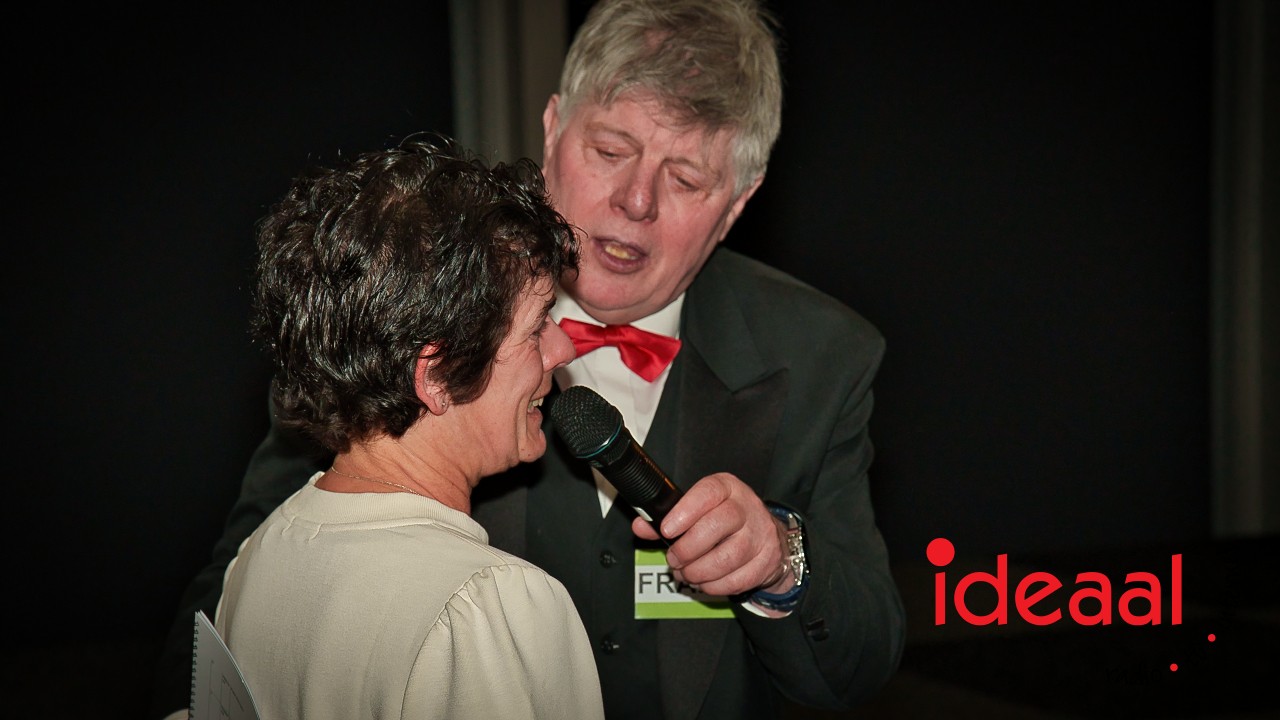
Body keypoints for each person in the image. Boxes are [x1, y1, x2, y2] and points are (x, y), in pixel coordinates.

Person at [152, 1, 905, 718]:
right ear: (551, 128)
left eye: (685, 179)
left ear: (740, 201)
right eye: (610, 151)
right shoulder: (398, 300)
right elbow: (247, 594)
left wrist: (781, 561)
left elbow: (862, 662)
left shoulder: (823, 354)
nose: (636, 201)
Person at [190, 135, 603, 719]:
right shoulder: (482, 606)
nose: (563, 349)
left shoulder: (257, 561)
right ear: (435, 377)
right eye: (537, 327)